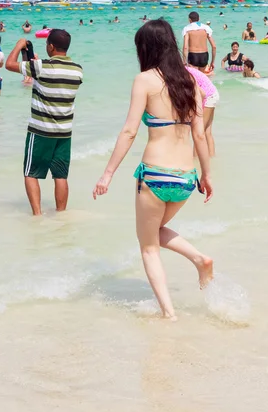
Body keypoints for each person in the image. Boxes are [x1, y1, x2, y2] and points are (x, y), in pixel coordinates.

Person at [93, 19, 213, 321]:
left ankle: (170, 312)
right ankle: (199, 260)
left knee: (147, 245)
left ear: (146, 48)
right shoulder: (191, 81)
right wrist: (207, 176)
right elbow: (200, 134)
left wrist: (107, 174)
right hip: (186, 178)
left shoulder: (144, 80)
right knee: (154, 232)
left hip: (155, 175)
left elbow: (129, 132)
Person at [5, 30, 83, 216]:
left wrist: (19, 44)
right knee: (61, 176)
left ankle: (37, 215)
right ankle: (61, 214)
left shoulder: (41, 67)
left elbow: (9, 65)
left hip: (40, 131)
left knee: (31, 173)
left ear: (51, 46)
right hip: (64, 132)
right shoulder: (77, 70)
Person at [186, 65, 220, 157]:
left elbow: (202, 93)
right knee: (207, 132)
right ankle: (212, 158)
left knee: (198, 133)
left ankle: (196, 162)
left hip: (208, 96)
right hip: (213, 93)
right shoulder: (185, 70)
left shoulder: (183, 73)